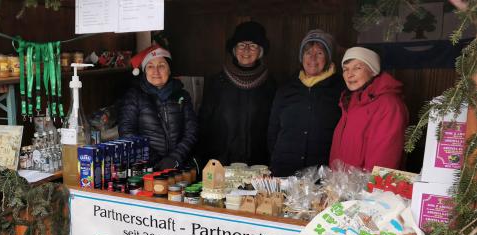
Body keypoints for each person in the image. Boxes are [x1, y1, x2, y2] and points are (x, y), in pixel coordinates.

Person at [198, 21, 276, 166]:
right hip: (221, 164)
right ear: (234, 49)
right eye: (241, 45)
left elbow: (275, 127)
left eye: (252, 45)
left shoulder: (271, 85)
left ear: (260, 51)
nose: (246, 50)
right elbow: (204, 124)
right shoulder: (217, 83)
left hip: (258, 166)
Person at [267, 29, 344, 177]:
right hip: (284, 170)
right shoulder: (286, 88)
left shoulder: (340, 89)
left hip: (321, 174)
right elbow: (273, 131)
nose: (313, 58)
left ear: (328, 58)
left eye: (320, 53)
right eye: (308, 52)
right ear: (301, 57)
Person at [118, 45, 198, 170]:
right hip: (146, 168)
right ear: (144, 71)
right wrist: (156, 161)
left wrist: (175, 158)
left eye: (161, 65)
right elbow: (127, 133)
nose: (156, 71)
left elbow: (191, 131)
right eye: (150, 66)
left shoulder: (182, 95)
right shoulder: (134, 96)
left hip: (179, 167)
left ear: (169, 70)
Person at [329, 47, 409, 171]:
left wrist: (369, 189)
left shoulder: (389, 105)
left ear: (373, 71)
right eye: (345, 69)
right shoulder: (350, 101)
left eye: (357, 68)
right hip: (342, 186)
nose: (349, 74)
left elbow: (384, 160)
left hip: (364, 188)